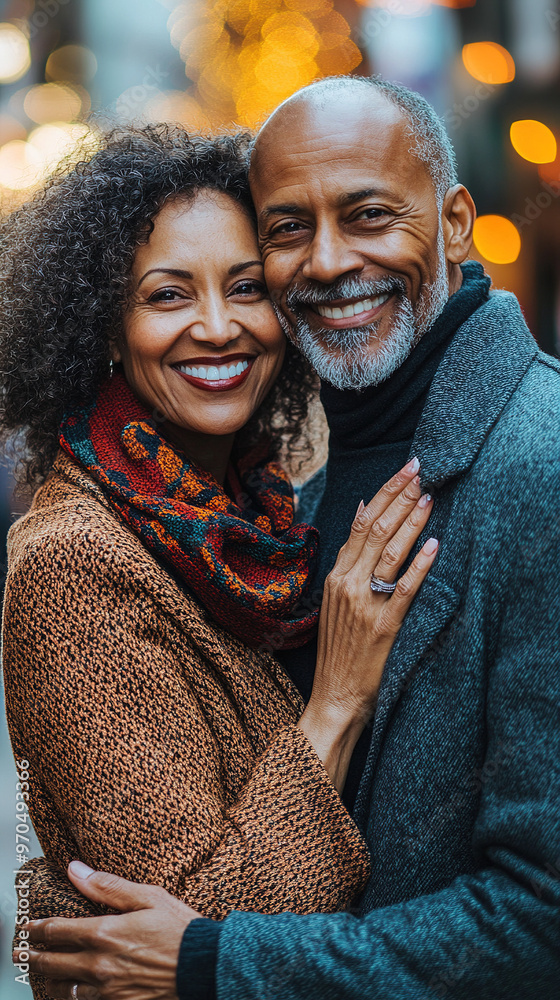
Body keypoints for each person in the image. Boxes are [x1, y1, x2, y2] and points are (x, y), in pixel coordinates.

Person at [18, 74, 560, 1000]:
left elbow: (541, 916)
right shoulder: (280, 512)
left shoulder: (536, 463)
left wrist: (215, 962)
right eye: (286, 230)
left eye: (369, 214)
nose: (327, 261)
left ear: (456, 221)